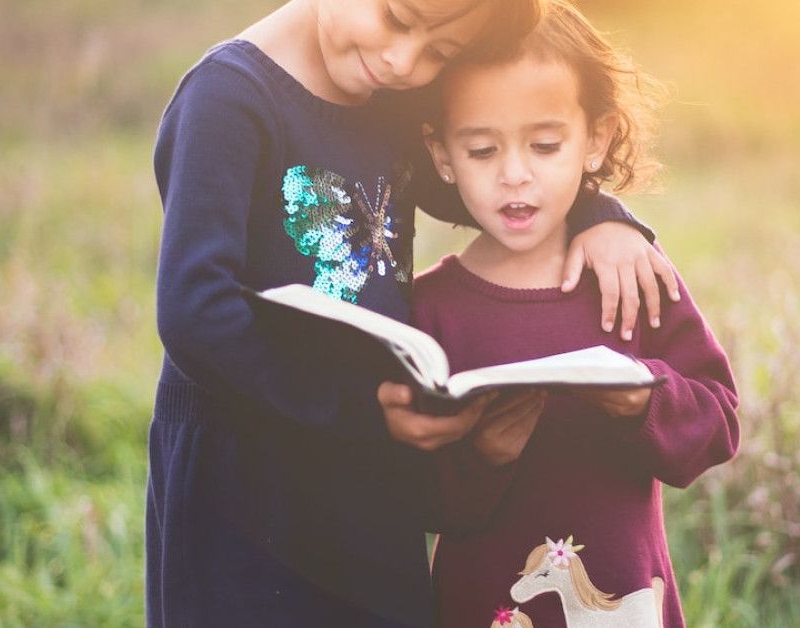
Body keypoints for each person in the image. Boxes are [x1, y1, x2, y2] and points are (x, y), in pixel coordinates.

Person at [147, 0, 681, 626]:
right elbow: (195, 312)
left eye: (440, 53)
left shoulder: (388, 98)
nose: (405, 62)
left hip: (367, 475)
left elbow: (489, 189)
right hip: (244, 485)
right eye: (397, 19)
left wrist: (603, 217)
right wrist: (363, 407)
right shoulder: (227, 100)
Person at [412, 2, 741, 627]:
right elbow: (412, 498)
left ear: (596, 139)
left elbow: (719, 423)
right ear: (442, 153)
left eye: (544, 145)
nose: (514, 175)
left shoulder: (629, 276)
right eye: (481, 150)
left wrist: (645, 400)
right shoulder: (430, 310)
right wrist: (482, 456)